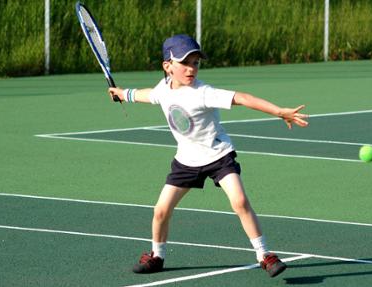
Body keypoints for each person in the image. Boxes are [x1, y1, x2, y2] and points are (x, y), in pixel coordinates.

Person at [108, 34, 308, 278]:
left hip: (218, 157)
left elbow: (242, 98)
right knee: (160, 211)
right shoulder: (164, 89)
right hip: (186, 161)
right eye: (185, 63)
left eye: (195, 62)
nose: (191, 68)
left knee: (240, 202)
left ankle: (264, 255)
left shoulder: (204, 92)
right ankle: (157, 256)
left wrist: (279, 111)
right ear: (167, 66)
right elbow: (148, 94)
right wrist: (123, 93)